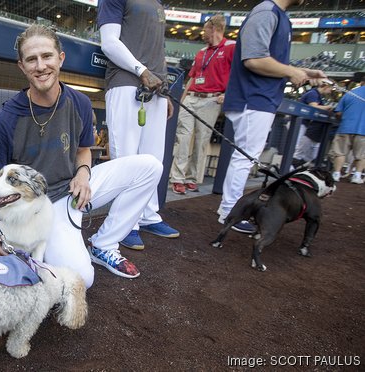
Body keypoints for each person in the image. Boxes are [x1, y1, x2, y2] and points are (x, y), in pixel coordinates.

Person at [0, 25, 164, 286]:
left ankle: (103, 243)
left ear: (61, 58)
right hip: (43, 206)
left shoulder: (80, 102)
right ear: (22, 66)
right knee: (82, 280)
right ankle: (68, 246)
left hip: (78, 188)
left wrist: (83, 174)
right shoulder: (7, 118)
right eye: (32, 59)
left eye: (47, 56)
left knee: (150, 166)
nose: (41, 66)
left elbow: (83, 150)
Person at [217, 0, 327, 234]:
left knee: (246, 157)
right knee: (245, 158)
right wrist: (292, 71)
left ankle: (230, 211)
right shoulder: (266, 11)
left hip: (259, 98)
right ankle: (229, 212)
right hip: (252, 97)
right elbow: (254, 59)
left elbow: (267, 61)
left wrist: (304, 72)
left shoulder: (278, 14)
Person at [97, 0, 180, 251]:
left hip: (156, 88)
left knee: (154, 159)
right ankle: (125, 226)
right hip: (126, 82)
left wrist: (164, 92)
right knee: (126, 158)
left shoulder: (156, 3)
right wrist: (141, 70)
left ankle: (148, 215)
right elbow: (109, 41)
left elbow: (158, 50)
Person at [170, 15, 235, 195]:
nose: (202, 33)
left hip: (211, 99)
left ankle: (192, 178)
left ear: (214, 29)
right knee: (183, 136)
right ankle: (177, 178)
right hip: (191, 97)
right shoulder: (201, 52)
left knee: (201, 140)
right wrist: (181, 101)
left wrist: (227, 94)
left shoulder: (231, 48)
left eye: (205, 29)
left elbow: (238, 74)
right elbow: (191, 78)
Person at [329, 74, 365, 184]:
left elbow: (338, 112)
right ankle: (357, 176)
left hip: (345, 127)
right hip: (363, 131)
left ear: (362, 82)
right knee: (362, 155)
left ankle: (336, 174)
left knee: (340, 153)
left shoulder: (351, 93)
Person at [291, 82, 334, 169]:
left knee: (306, 151)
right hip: (300, 122)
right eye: (330, 89)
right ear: (325, 86)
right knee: (297, 147)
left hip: (305, 123)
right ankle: (288, 168)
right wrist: (329, 107)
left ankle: (294, 167)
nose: (330, 91)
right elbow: (314, 107)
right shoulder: (313, 93)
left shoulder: (318, 95)